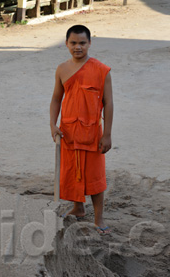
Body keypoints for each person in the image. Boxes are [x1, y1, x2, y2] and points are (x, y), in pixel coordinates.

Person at [50, 25, 113, 234]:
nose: (78, 47)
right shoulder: (62, 69)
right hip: (68, 131)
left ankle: (99, 218)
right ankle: (78, 208)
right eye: (73, 43)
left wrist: (107, 134)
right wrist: (53, 125)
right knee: (71, 174)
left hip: (92, 134)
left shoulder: (101, 70)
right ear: (66, 43)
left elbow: (109, 103)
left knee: (95, 178)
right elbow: (57, 98)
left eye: (82, 43)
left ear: (90, 44)